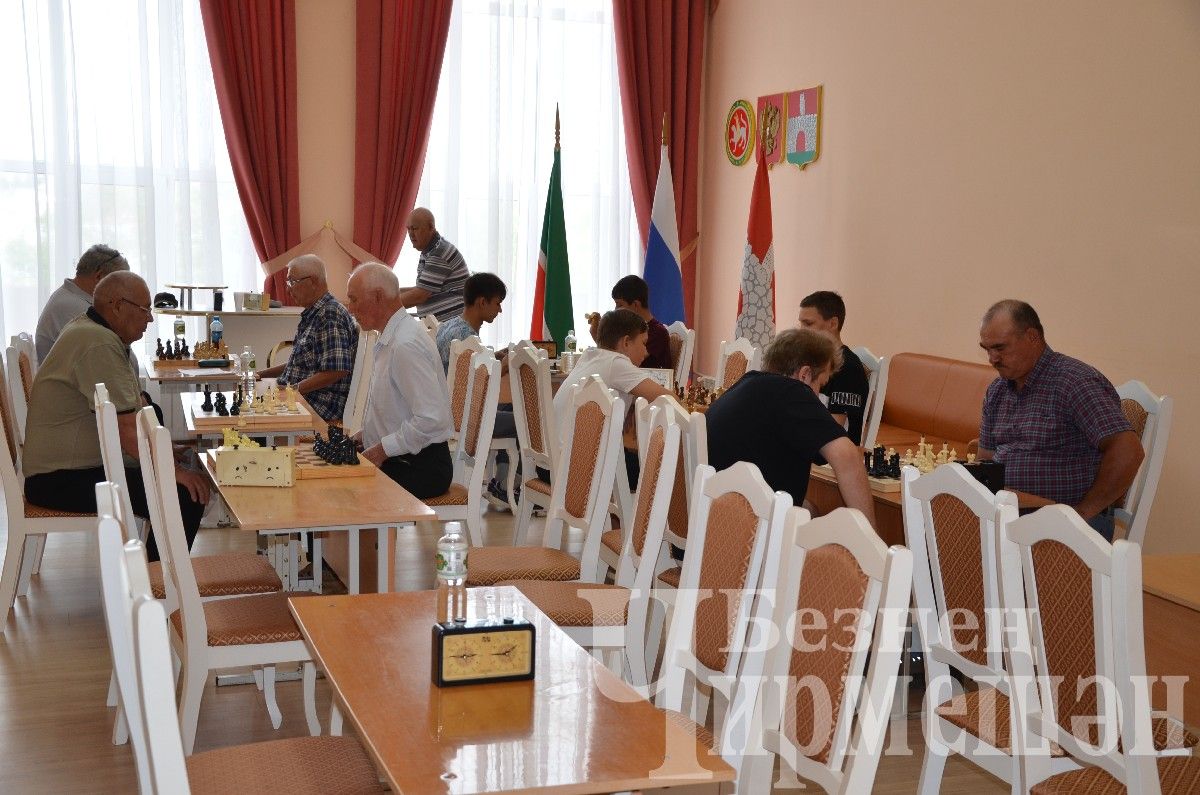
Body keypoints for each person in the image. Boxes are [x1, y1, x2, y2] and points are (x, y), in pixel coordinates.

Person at [22, 272, 209, 562]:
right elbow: (126, 428)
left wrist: (166, 455)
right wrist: (173, 472)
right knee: (186, 493)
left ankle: (154, 580)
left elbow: (135, 410)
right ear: (117, 305)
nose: (149, 319)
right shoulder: (98, 342)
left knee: (178, 473)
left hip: (67, 471)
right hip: (59, 480)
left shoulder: (92, 330)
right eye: (145, 309)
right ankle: (161, 588)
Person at [978, 300, 1143, 540]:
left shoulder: (1074, 382)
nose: (992, 358)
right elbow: (985, 462)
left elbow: (1129, 451)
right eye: (987, 349)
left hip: (1066, 521)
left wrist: (1081, 514)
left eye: (1000, 348)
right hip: (1010, 516)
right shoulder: (998, 391)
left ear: (1032, 337)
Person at [705, 328, 876, 524]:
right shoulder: (793, 392)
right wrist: (872, 540)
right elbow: (847, 457)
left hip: (714, 518)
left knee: (810, 509)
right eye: (820, 384)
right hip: (747, 532)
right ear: (804, 374)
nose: (818, 396)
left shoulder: (747, 383)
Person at [346, 262, 454, 499]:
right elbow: (396, 408)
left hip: (421, 467)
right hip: (403, 458)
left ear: (377, 297)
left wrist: (381, 450)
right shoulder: (391, 338)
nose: (350, 309)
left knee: (344, 489)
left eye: (354, 300)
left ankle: (370, 537)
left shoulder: (405, 344)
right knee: (334, 476)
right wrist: (365, 435)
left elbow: (432, 419)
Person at [553, 308, 675, 488]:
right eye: (643, 343)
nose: (646, 351)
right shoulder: (616, 363)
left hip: (555, 463)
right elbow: (668, 398)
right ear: (626, 342)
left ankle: (618, 514)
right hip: (576, 469)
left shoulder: (590, 356)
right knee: (665, 468)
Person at [257, 255, 358, 423]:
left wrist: (293, 390)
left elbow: (337, 370)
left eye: (292, 282)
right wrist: (261, 374)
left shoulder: (330, 314)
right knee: (251, 397)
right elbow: (298, 364)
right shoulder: (314, 312)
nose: (288, 290)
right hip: (303, 396)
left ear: (311, 281)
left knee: (253, 419)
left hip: (319, 404)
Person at [35, 244, 133, 363]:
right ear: (99, 276)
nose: (120, 291)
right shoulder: (72, 306)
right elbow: (109, 356)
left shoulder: (71, 297)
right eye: (119, 283)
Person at [798, 291, 870, 445]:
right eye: (801, 323)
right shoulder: (808, 360)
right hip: (810, 441)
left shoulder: (848, 367)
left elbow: (833, 430)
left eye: (808, 324)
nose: (801, 330)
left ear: (833, 324)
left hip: (832, 452)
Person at [399, 207, 470, 322]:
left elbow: (419, 295)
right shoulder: (430, 250)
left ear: (431, 227)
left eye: (415, 228)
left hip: (452, 328)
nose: (411, 234)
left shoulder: (439, 252)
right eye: (408, 229)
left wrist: (384, 306)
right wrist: (389, 293)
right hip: (444, 326)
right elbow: (422, 288)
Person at [587, 275, 673, 370]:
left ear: (635, 304)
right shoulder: (628, 328)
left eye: (620, 305)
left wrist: (599, 337)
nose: (616, 309)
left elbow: (624, 361)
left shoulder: (658, 332)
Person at [435, 272, 507, 371]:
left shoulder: (448, 325)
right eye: (498, 303)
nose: (500, 310)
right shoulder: (467, 338)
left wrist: (492, 357)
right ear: (482, 302)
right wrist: (505, 366)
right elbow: (474, 383)